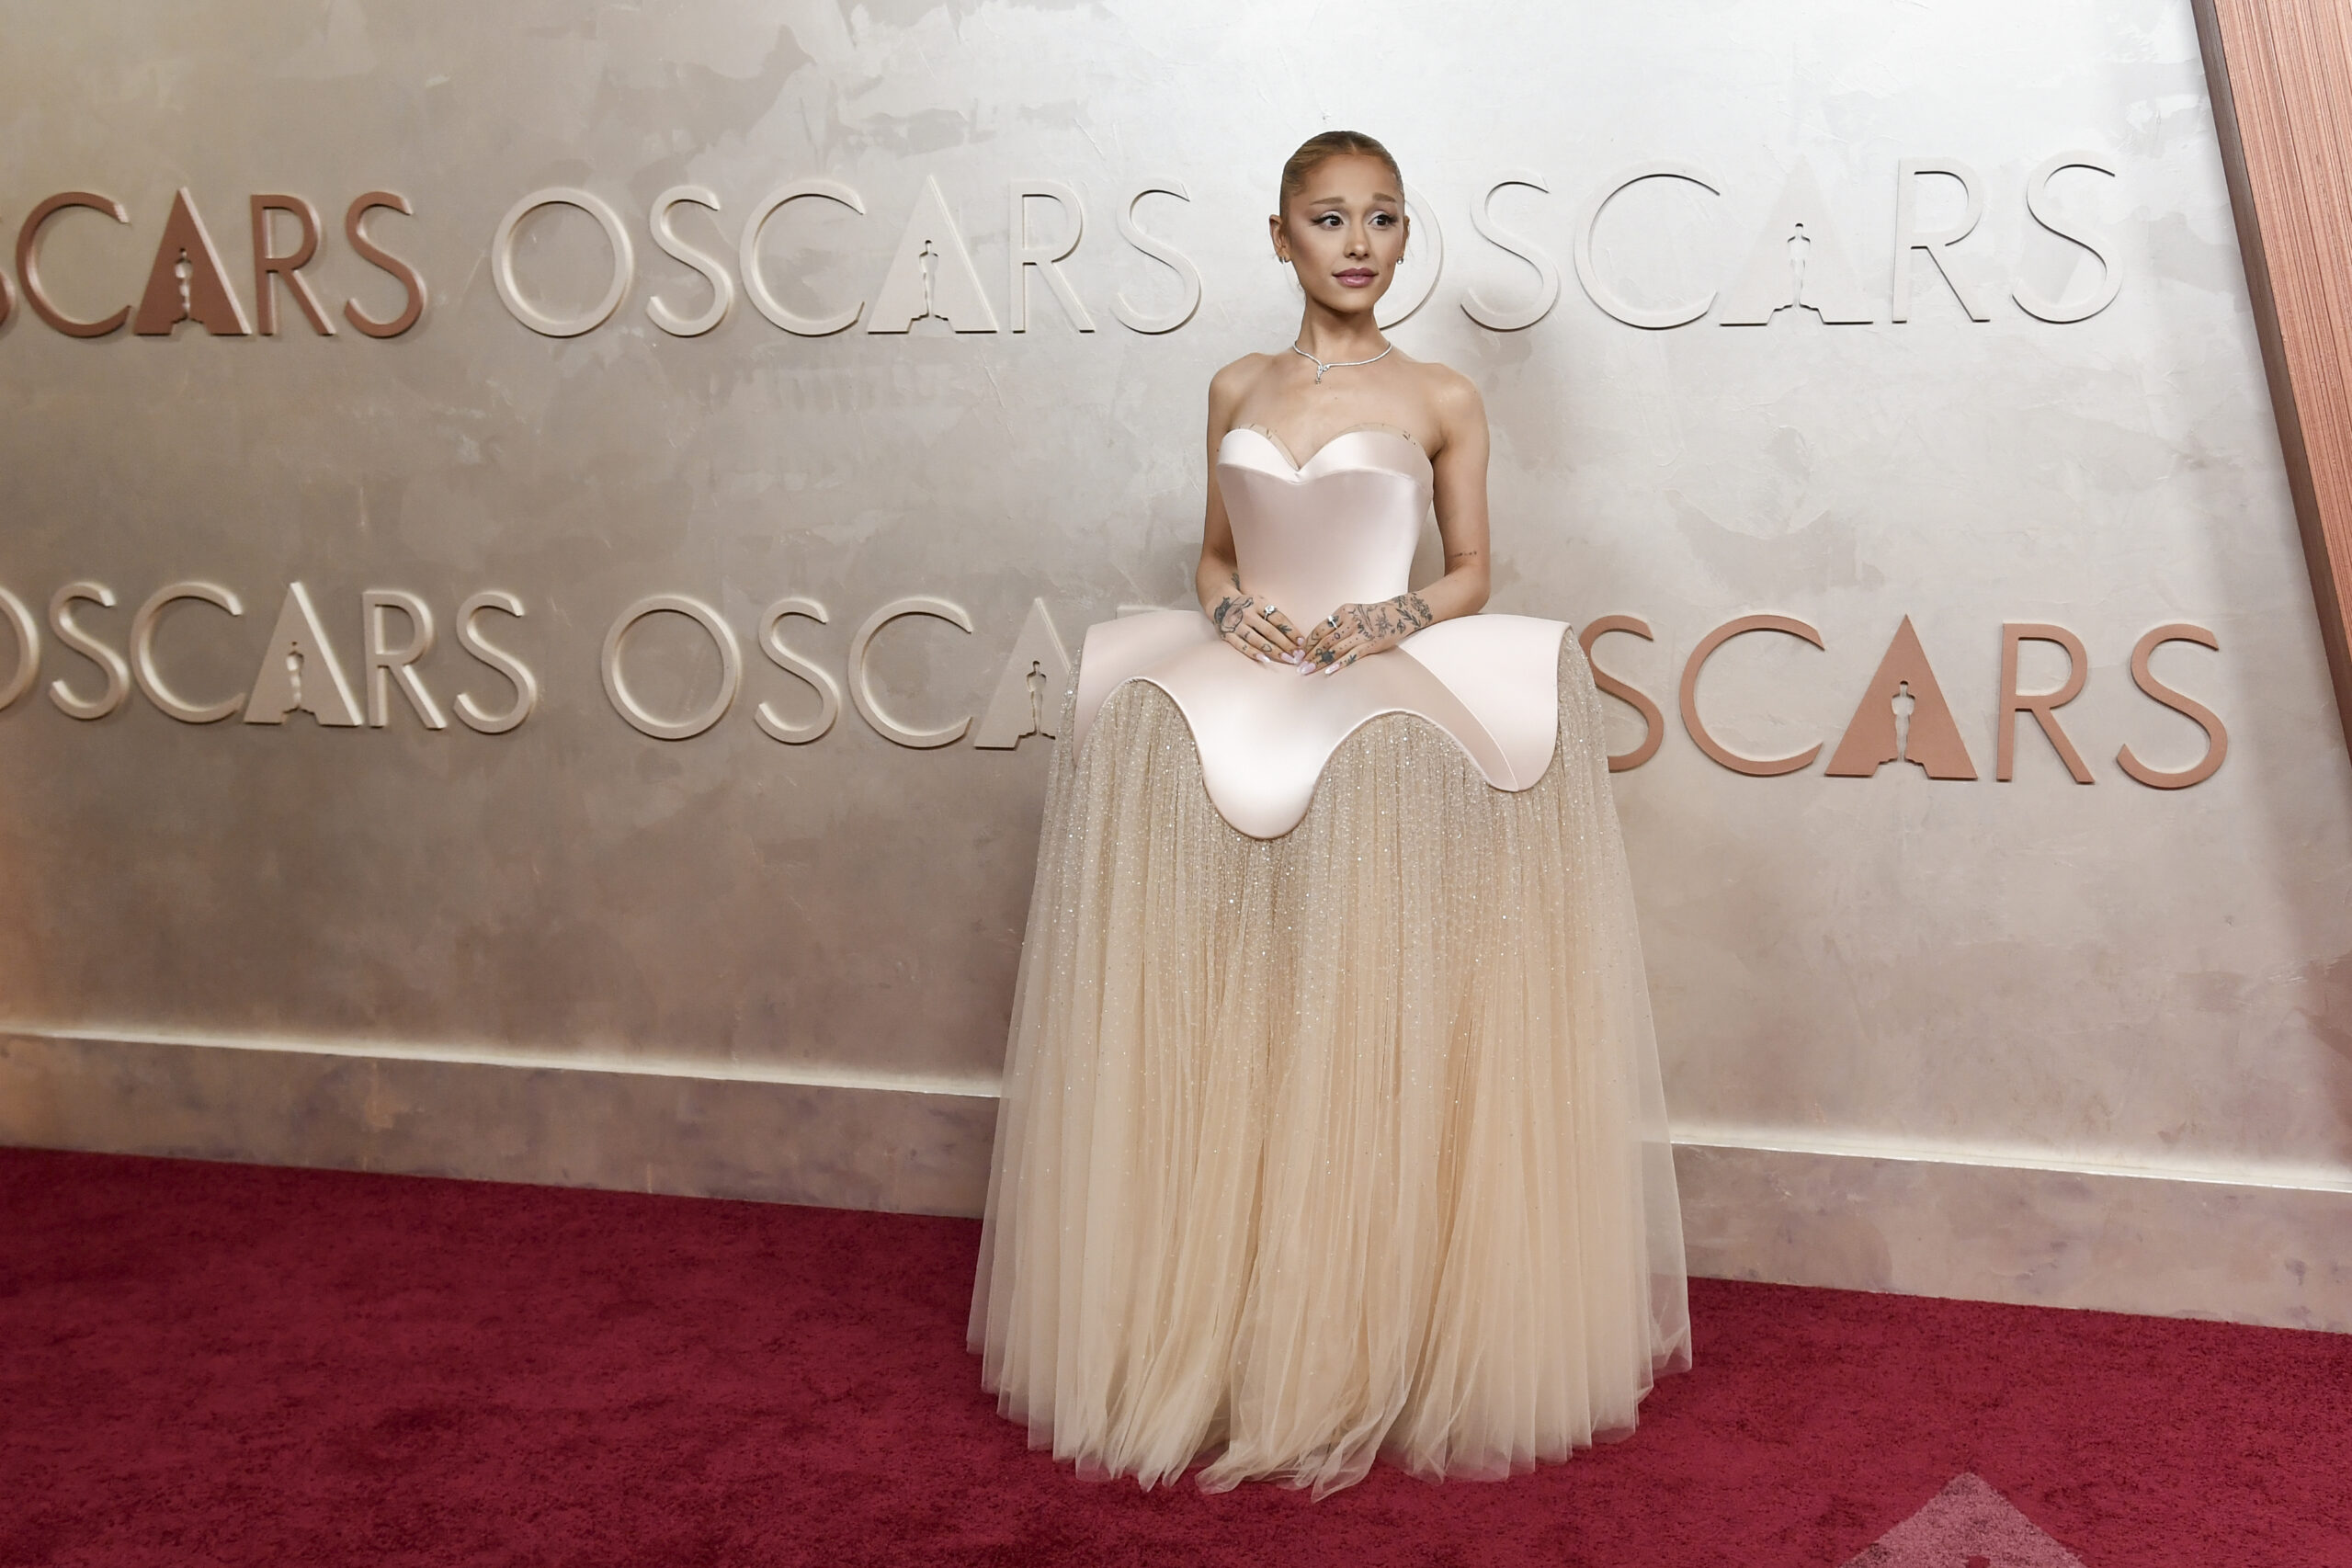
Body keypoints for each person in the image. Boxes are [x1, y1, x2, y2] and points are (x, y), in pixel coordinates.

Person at [969, 130, 1689, 1499]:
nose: (1358, 242)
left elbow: (1477, 566)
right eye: (1328, 218)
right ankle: (1226, 1319)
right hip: (1245, 680)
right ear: (1280, 234)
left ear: (1404, 237)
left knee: (1365, 1003)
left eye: (1382, 219)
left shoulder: (1441, 393)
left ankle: (1363, 1332)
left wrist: (1397, 612)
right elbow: (1213, 547)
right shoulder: (1233, 383)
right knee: (1229, 996)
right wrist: (1220, 601)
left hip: (1374, 689)